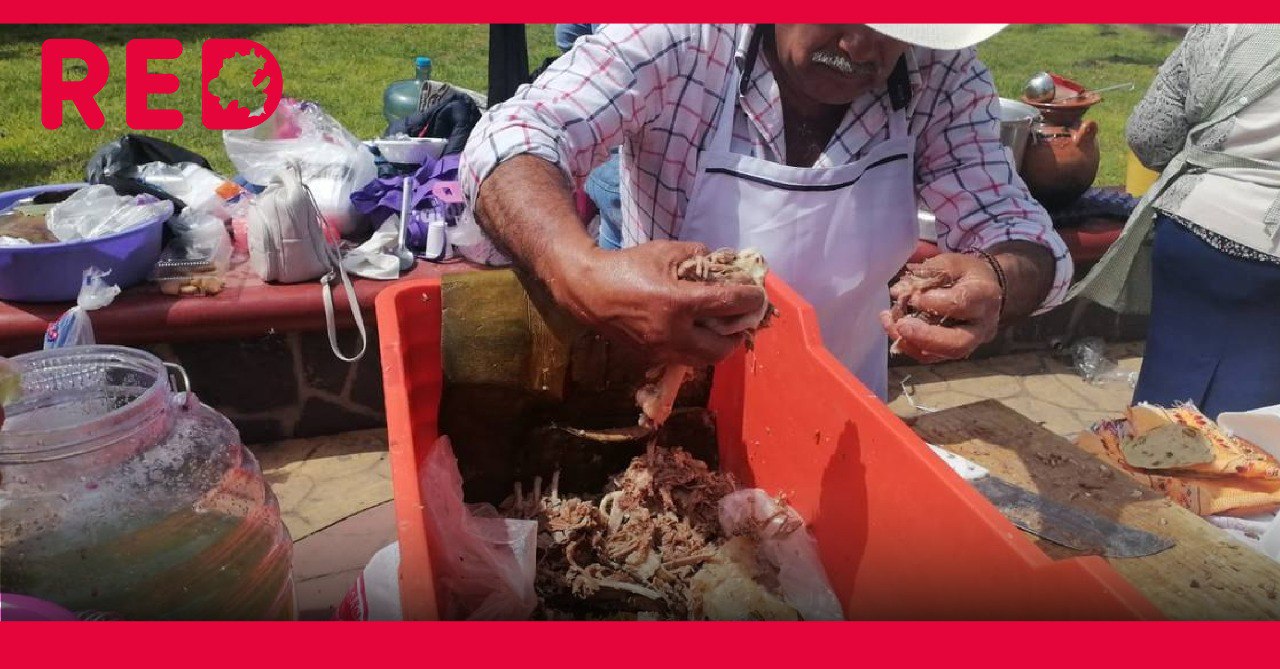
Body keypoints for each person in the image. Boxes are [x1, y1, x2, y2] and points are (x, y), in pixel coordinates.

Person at [459, 24, 1072, 399]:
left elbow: (1013, 227)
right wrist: (580, 274)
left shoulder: (941, 75)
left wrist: (999, 282)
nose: (861, 45)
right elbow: (514, 135)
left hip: (844, 401)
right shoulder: (683, 37)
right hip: (680, 393)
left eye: (894, 27)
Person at [1071, 24, 1280, 417]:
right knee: (1257, 422)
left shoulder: (1230, 25)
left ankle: (1150, 473)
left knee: (1166, 405)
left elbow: (1151, 138)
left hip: (1199, 231)